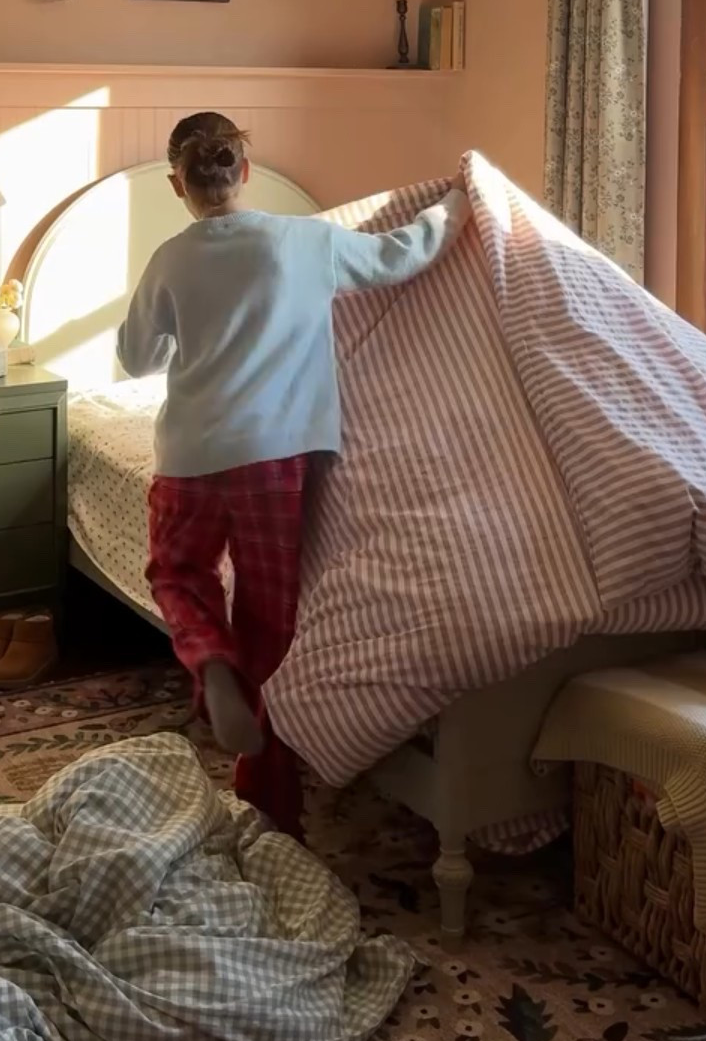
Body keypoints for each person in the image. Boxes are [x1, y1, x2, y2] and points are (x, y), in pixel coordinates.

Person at [116, 110, 471, 839]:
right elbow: (402, 254)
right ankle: (268, 798)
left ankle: (208, 660)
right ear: (244, 172)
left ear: (176, 184)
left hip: (189, 455)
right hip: (276, 458)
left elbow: (137, 359)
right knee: (271, 616)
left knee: (178, 576)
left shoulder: (170, 258)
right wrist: (463, 202)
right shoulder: (306, 242)